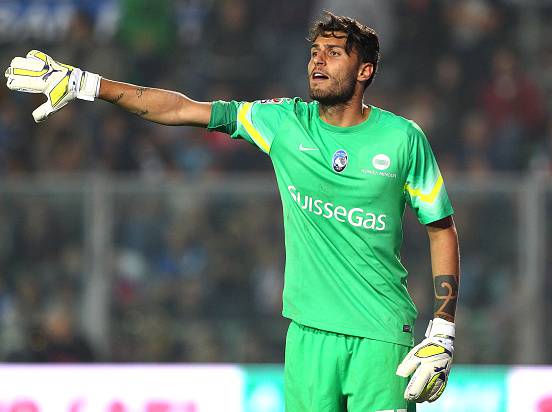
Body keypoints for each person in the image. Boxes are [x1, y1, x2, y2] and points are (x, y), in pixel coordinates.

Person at [5, 11, 460, 412]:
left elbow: (441, 229)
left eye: (334, 53)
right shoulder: (284, 122)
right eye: (314, 52)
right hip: (308, 334)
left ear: (365, 70)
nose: (317, 61)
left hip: (380, 334)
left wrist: (442, 330)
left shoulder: (402, 139)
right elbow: (182, 109)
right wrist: (88, 84)